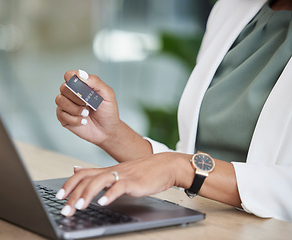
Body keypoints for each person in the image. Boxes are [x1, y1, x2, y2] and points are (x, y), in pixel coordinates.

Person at [54, 0, 292, 222]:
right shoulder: (231, 9)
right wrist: (112, 134)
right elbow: (186, 164)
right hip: (201, 223)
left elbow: (184, 168)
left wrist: (180, 168)